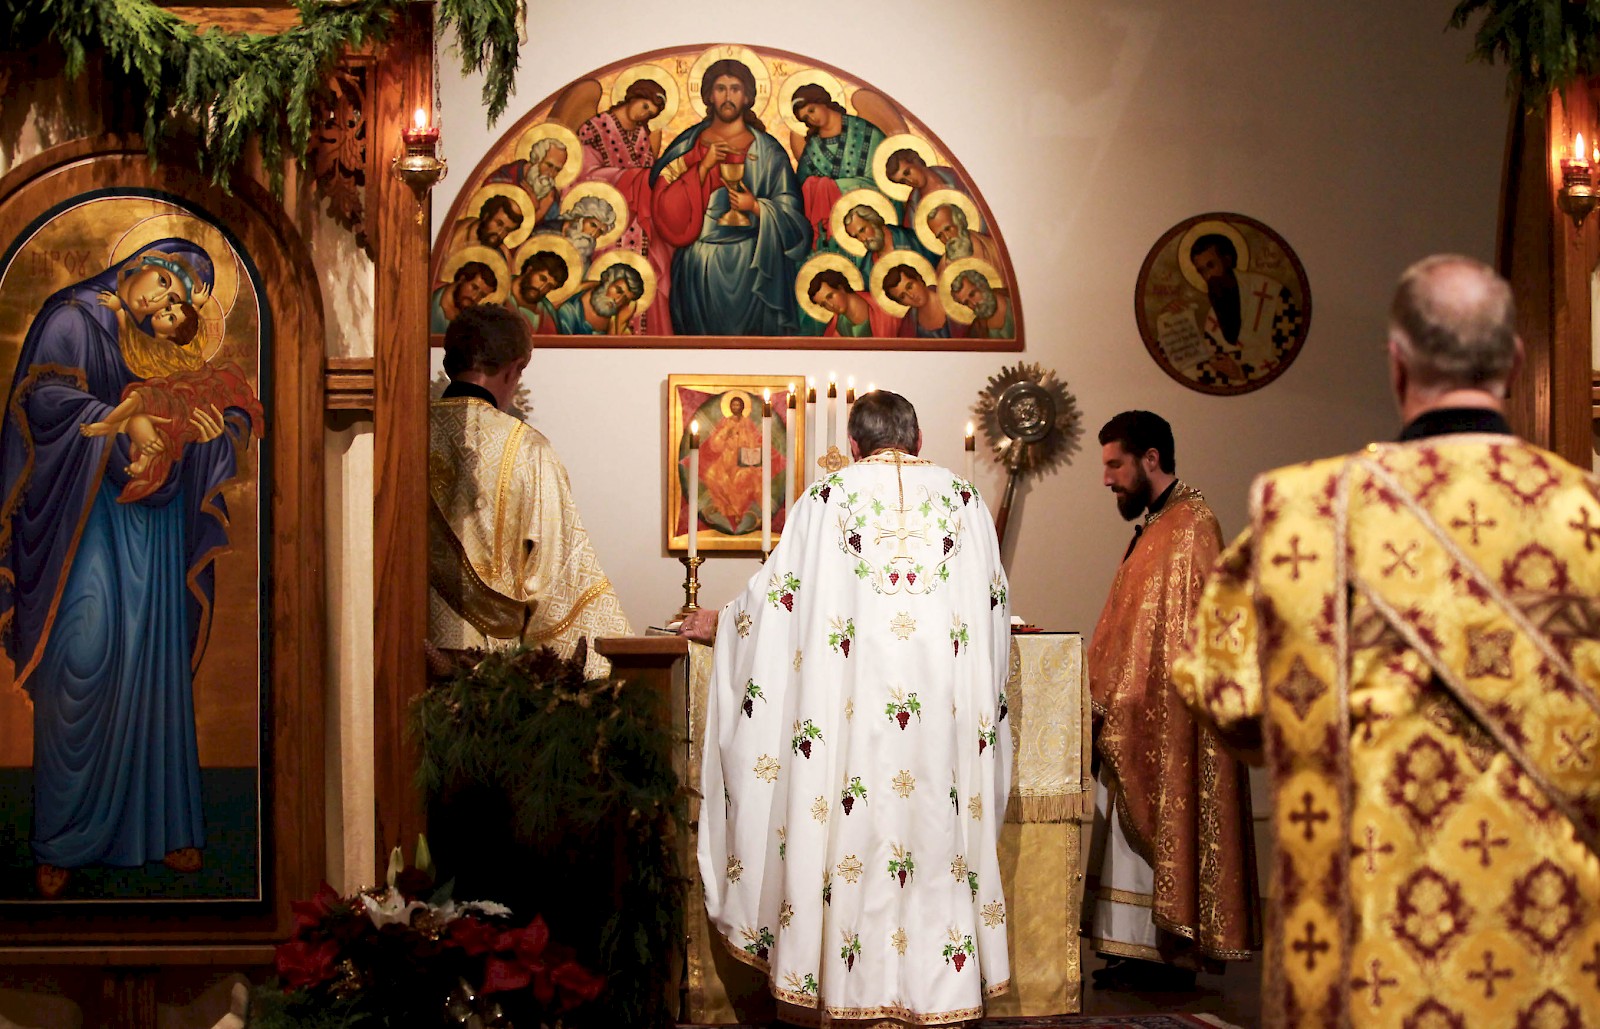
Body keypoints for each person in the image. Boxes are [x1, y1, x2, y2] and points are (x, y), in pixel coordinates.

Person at [1175, 255, 1600, 1023]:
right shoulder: (1588, 515)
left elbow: (1227, 694)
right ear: (1514, 362)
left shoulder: (1309, 512)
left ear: (1397, 363)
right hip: (1559, 939)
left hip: (1371, 932)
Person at [681, 390, 1012, 1026]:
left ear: (853, 446)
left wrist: (722, 622)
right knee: (936, 833)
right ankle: (942, 992)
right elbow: (993, 609)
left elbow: (774, 603)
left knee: (848, 830)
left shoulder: (826, 498)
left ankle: (846, 985)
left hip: (850, 723)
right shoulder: (965, 501)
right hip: (940, 725)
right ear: (918, 441)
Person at [0, 238, 256, 898]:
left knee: (153, 666)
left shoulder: (168, 347)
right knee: (81, 661)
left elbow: (223, 401)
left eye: (178, 300)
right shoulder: (72, 319)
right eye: (166, 282)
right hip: (82, 522)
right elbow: (41, 403)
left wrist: (210, 432)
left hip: (156, 524)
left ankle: (165, 828)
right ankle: (62, 836)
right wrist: (121, 424)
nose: (165, 300)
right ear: (140, 262)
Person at [1085, 410, 1260, 990]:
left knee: (1163, 827)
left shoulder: (1192, 528)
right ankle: (1131, 949)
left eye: (1115, 465)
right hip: (1136, 709)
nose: (1107, 479)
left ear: (1151, 459)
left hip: (1172, 719)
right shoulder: (1159, 524)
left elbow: (1192, 637)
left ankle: (1167, 953)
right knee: (1124, 833)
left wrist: (1138, 696)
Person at [428, 304, 630, 679]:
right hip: (490, 673)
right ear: (514, 369)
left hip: (404, 650)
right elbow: (558, 574)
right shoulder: (528, 450)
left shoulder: (404, 437)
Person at [650, 57, 810, 335]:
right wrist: (702, 167)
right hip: (698, 265)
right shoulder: (688, 144)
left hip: (754, 267)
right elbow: (662, 204)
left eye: (735, 89)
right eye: (720, 88)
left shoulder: (769, 151)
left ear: (747, 96)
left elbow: (794, 219)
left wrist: (757, 207)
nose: (727, 96)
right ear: (708, 95)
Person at [575, 78, 669, 333]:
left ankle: (636, 330)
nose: (645, 114)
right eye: (645, 106)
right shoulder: (595, 128)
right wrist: (629, 177)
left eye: (651, 113)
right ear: (633, 97)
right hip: (608, 218)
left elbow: (648, 172)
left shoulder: (641, 135)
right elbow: (584, 173)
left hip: (638, 219)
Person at [1188, 233, 1293, 382]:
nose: (1208, 276)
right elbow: (1211, 361)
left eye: (1211, 266)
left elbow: (1289, 353)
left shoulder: (1274, 294)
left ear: (1227, 260)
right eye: (1202, 271)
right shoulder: (1214, 315)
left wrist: (1243, 373)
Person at [791, 83, 885, 248]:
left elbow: (882, 179)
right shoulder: (813, 147)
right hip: (829, 224)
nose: (812, 118)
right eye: (806, 118)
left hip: (865, 208)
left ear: (822, 102)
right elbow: (801, 187)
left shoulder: (863, 131)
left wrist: (829, 187)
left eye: (812, 110)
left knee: (822, 185)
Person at [487, 137, 568, 229]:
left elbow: (541, 232)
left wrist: (542, 211)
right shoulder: (507, 176)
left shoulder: (551, 198)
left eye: (557, 170)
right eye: (549, 165)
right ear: (536, 159)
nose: (551, 173)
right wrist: (535, 209)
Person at [553, 262, 644, 336]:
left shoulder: (616, 322)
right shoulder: (569, 308)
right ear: (607, 280)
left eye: (625, 299)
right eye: (618, 291)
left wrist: (617, 324)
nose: (617, 301)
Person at [884, 148, 967, 227]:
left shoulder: (954, 176)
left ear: (915, 161)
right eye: (903, 181)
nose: (910, 181)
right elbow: (913, 233)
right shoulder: (913, 206)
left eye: (907, 172)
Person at [808, 267, 900, 338]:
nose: (830, 305)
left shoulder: (883, 308)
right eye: (824, 304)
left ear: (841, 288)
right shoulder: (837, 327)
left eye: (830, 296)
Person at [883, 263, 962, 340]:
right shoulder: (908, 325)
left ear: (919, 279)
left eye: (910, 287)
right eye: (902, 296)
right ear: (901, 303)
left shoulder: (954, 299)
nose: (911, 296)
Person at [506, 250, 568, 335]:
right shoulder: (499, 292)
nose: (542, 288)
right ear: (529, 270)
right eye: (542, 279)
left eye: (549, 286)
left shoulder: (547, 313)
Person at [926, 203, 1000, 276]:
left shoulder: (992, 249)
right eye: (940, 235)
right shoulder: (942, 269)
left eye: (948, 229)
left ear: (959, 222)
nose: (947, 237)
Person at [430, 261, 499, 333]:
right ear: (462, 279)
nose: (474, 297)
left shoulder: (472, 317)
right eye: (474, 288)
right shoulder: (431, 304)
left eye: (482, 295)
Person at [446, 193, 527, 255]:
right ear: (486, 216)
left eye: (507, 230)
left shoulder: (502, 254)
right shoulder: (453, 235)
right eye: (499, 224)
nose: (500, 233)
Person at [949, 269, 1014, 339]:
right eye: (966, 303)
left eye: (972, 294)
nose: (973, 303)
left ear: (982, 285)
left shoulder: (1013, 298)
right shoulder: (977, 329)